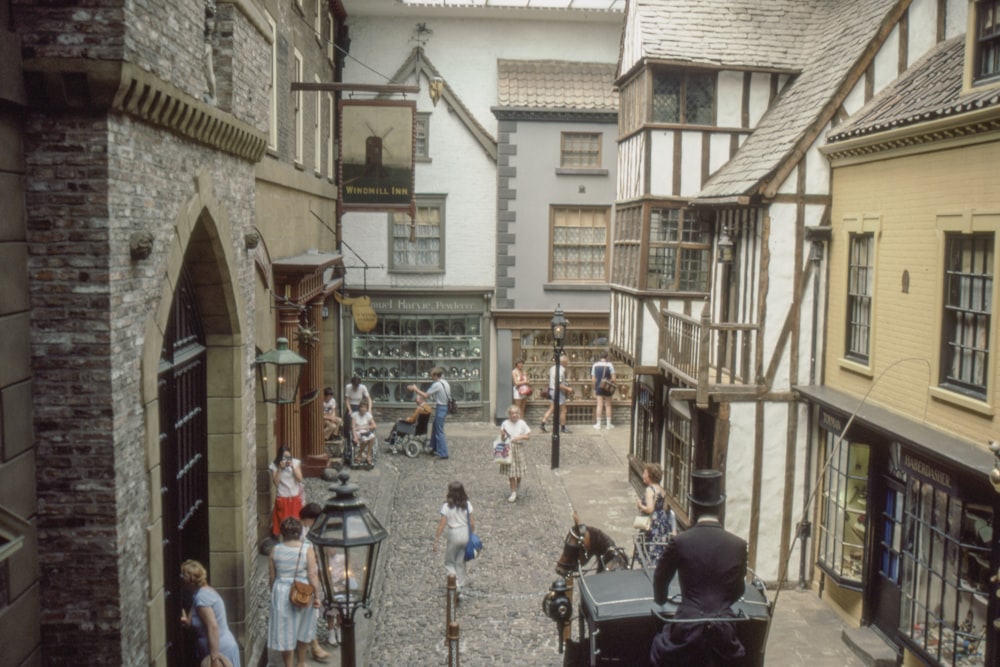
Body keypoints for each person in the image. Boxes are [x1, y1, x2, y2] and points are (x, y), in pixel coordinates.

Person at [651, 470, 747, 667]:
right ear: (720, 509)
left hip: (687, 628)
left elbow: (660, 578)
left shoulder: (680, 542)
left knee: (657, 647)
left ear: (693, 508)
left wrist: (661, 599)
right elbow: (739, 589)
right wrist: (720, 605)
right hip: (723, 633)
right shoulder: (738, 545)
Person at [269, 517, 322, 667]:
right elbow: (312, 575)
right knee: (304, 628)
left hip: (281, 591)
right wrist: (317, 596)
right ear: (299, 533)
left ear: (283, 533)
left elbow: (272, 577)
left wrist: (274, 594)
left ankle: (288, 665)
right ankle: (301, 662)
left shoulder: (275, 550)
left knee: (285, 631)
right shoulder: (307, 549)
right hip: (302, 591)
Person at [179, 559, 241, 667]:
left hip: (220, 652)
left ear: (189, 580)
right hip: (218, 650)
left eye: (182, 577)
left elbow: (213, 627)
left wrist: (214, 659)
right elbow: (195, 621)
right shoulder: (203, 592)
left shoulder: (202, 598)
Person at [300, 503, 335, 659]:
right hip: (307, 574)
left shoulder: (320, 530)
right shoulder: (303, 532)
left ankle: (312, 645)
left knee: (311, 612)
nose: (305, 523)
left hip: (318, 573)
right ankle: (312, 646)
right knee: (309, 612)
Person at [433, 481, 474, 598]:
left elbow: (442, 524)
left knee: (450, 561)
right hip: (465, 532)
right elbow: (472, 522)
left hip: (453, 533)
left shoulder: (446, 507)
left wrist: (436, 539)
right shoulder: (467, 504)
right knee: (460, 561)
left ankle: (454, 584)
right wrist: (471, 535)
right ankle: (460, 586)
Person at [635, 462, 677, 565]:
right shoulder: (661, 489)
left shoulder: (650, 490)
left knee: (649, 548)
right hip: (662, 522)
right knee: (660, 547)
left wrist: (640, 505)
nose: (643, 475)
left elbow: (650, 509)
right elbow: (664, 507)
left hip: (652, 524)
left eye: (645, 473)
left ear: (650, 476)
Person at [408, 367, 451, 459]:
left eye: (432, 376)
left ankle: (443, 453)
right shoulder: (445, 382)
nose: (431, 378)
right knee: (435, 428)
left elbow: (425, 395)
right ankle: (434, 448)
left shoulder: (437, 384)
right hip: (444, 407)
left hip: (441, 408)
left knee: (439, 431)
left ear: (436, 375)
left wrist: (415, 389)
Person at [498, 405, 531, 503]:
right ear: (509, 414)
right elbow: (502, 439)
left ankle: (518, 482)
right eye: (512, 413)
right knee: (511, 472)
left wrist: (519, 437)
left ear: (519, 414)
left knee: (519, 472)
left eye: (516, 413)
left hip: (519, 448)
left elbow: (528, 437)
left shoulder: (522, 423)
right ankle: (513, 492)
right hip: (508, 448)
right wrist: (502, 435)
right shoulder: (505, 423)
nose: (514, 415)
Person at [269, 446, 303, 538]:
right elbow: (275, 483)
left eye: (289, 457)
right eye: (284, 457)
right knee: (283, 523)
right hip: (282, 497)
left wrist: (293, 467)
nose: (287, 459)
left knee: (297, 521)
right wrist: (280, 469)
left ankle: (296, 540)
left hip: (294, 497)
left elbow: (300, 479)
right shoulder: (274, 466)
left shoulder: (295, 463)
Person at [540, 355, 572, 434]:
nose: (567, 363)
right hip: (557, 392)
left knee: (552, 408)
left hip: (552, 390)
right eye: (567, 361)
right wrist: (568, 389)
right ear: (563, 362)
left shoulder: (552, 368)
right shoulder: (560, 371)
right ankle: (563, 427)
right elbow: (559, 384)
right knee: (563, 410)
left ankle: (542, 424)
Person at [591, 352, 616, 429]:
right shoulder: (610, 365)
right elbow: (614, 379)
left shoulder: (595, 365)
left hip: (599, 386)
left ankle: (598, 424)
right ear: (607, 357)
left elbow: (593, 379)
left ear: (600, 357)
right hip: (607, 387)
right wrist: (609, 381)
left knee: (599, 405)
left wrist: (595, 388)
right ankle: (608, 425)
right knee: (608, 405)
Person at [351, 402, 377, 468]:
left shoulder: (368, 415)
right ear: (359, 408)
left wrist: (364, 427)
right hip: (358, 432)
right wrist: (355, 436)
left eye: (365, 407)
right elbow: (353, 427)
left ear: (367, 409)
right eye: (362, 407)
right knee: (365, 440)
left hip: (365, 431)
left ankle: (368, 455)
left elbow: (374, 425)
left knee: (372, 437)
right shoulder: (355, 415)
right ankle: (359, 455)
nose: (363, 409)